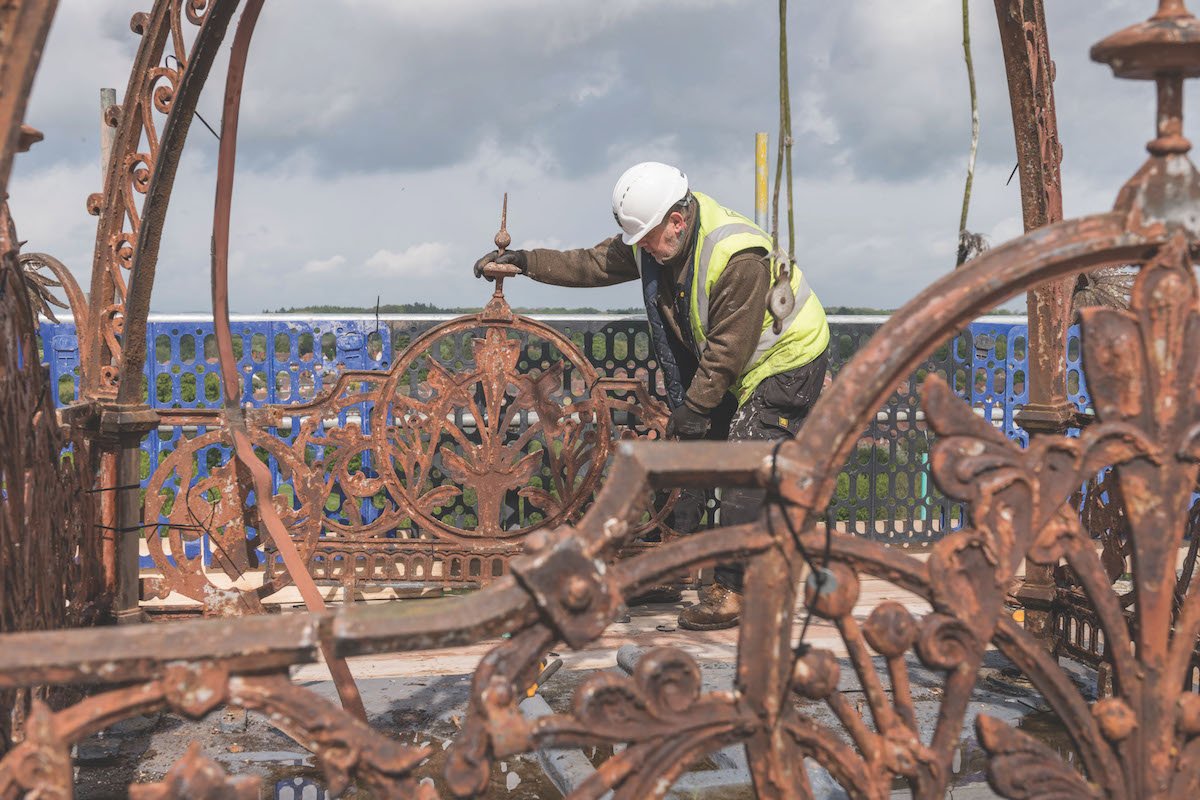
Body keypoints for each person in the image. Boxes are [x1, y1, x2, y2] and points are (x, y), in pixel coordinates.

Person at [473, 162, 830, 630]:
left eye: (645, 239)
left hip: (786, 359)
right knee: (690, 457)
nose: (640, 249)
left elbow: (727, 348)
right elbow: (593, 263)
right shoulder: (657, 242)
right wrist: (527, 262)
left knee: (745, 464)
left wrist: (698, 408)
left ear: (677, 222)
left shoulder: (738, 257)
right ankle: (662, 568)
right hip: (735, 366)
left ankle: (732, 592)